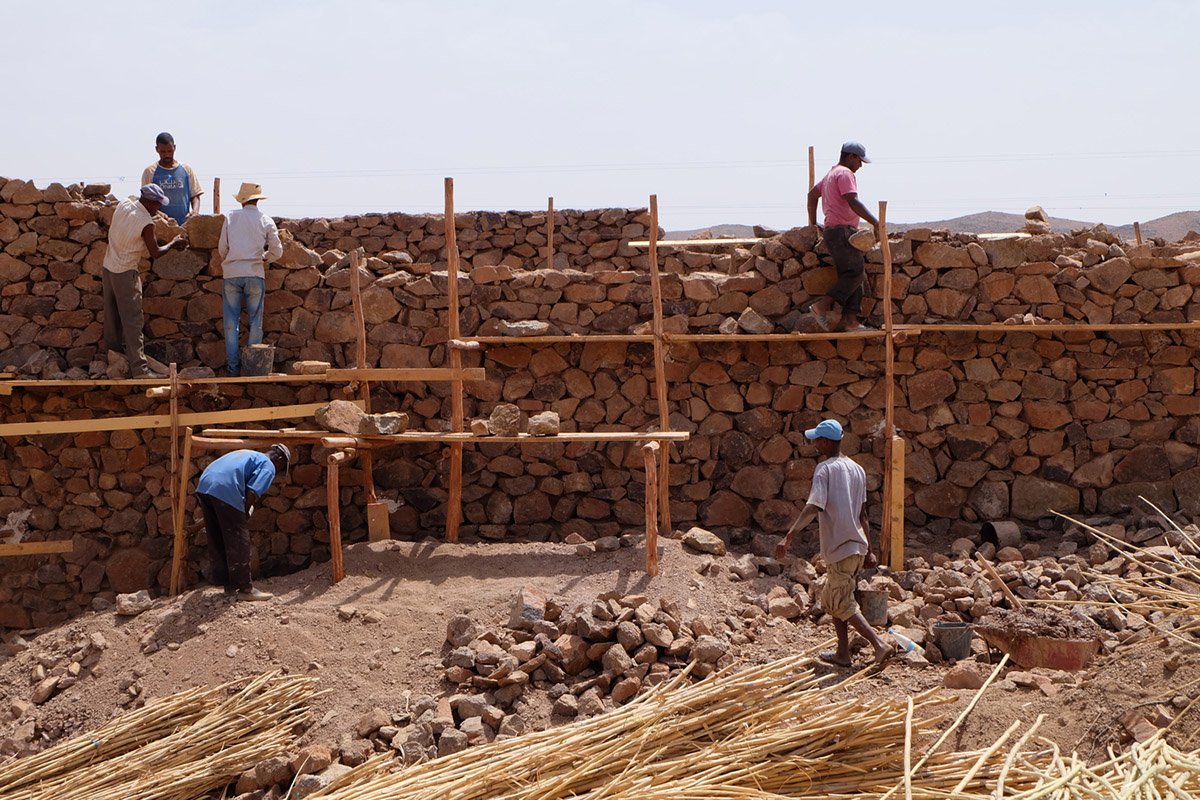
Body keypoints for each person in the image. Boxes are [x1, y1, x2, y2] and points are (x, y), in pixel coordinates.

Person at [775, 419, 895, 667]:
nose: (814, 444)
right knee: (834, 600)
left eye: (817, 440)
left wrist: (789, 536)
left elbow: (813, 506)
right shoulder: (857, 469)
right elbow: (863, 516)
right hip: (856, 548)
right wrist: (869, 551)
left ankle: (879, 645)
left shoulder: (825, 469)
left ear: (827, 441)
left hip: (841, 547)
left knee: (842, 602)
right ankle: (843, 653)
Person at [103, 184, 186, 379]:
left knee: (112, 318)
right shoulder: (145, 223)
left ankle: (114, 360)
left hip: (108, 268)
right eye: (157, 205)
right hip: (125, 272)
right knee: (133, 322)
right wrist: (174, 243)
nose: (158, 208)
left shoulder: (124, 205)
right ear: (148, 203)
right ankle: (140, 369)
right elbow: (156, 253)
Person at [194, 444, 291, 601]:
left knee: (218, 538)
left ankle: (228, 585)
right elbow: (253, 491)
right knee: (239, 540)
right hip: (225, 489)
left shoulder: (248, 454)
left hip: (205, 486)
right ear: (279, 460)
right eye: (280, 467)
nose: (276, 472)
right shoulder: (268, 464)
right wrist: (244, 513)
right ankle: (246, 589)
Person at [806, 142, 880, 333]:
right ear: (851, 157)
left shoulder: (830, 175)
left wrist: (814, 223)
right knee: (855, 273)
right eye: (859, 160)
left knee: (852, 275)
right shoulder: (845, 174)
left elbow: (812, 196)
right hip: (842, 231)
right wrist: (876, 222)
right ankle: (821, 306)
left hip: (833, 231)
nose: (860, 165)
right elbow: (853, 201)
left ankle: (851, 322)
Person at [218, 183, 283, 376]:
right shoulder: (265, 220)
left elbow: (222, 248)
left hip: (231, 273)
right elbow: (277, 251)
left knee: (231, 323)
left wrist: (231, 259)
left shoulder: (230, 217)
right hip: (255, 273)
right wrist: (264, 258)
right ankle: (253, 370)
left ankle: (233, 369)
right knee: (256, 321)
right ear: (257, 199)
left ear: (242, 200)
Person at [141, 131, 202, 225]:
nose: (167, 155)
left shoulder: (186, 169)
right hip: (160, 226)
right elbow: (144, 201)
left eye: (170, 151)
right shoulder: (150, 172)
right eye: (163, 152)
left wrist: (195, 212)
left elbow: (195, 195)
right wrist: (157, 213)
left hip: (184, 224)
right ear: (157, 149)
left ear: (175, 148)